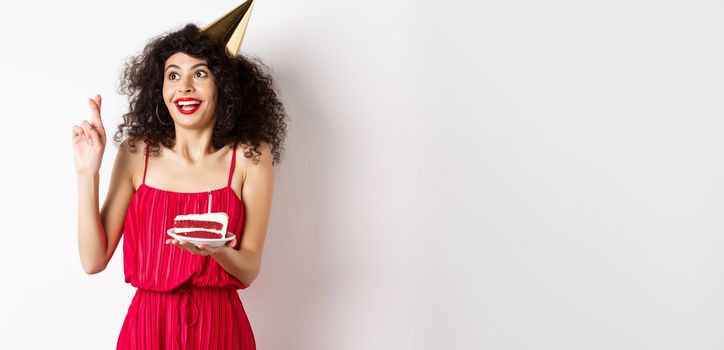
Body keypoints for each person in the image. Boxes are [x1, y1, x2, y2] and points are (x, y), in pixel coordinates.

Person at [71, 17, 287, 349]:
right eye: (173, 75)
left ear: (223, 85)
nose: (184, 87)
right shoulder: (136, 152)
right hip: (149, 325)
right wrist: (88, 173)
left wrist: (217, 251)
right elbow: (93, 260)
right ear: (161, 89)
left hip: (220, 328)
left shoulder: (249, 156)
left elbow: (248, 268)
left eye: (200, 74)